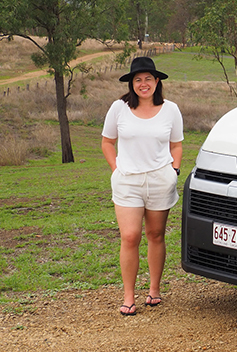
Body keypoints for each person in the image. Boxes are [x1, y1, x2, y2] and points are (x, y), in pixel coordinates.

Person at [101, 56, 183, 316]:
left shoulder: (171, 109)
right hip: (128, 181)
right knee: (130, 236)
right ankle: (128, 296)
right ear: (131, 84)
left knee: (156, 235)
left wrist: (174, 171)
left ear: (157, 81)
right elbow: (107, 142)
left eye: (148, 78)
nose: (143, 83)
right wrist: (117, 170)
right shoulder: (119, 108)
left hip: (160, 179)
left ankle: (154, 290)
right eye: (138, 79)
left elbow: (177, 145)